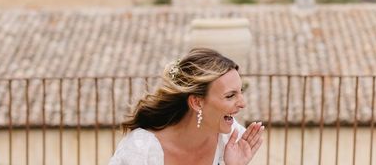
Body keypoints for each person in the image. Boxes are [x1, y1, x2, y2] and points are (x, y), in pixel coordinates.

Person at [108, 48, 265, 165]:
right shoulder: (140, 150)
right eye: (230, 95)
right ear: (197, 102)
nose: (243, 103)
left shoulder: (229, 140)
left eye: (241, 91)